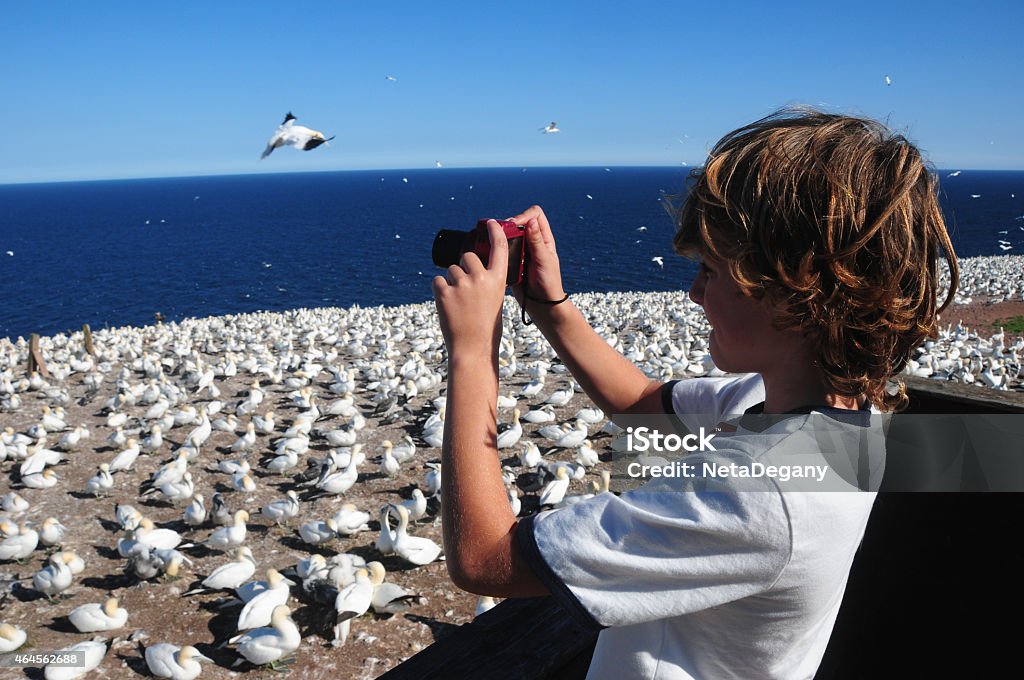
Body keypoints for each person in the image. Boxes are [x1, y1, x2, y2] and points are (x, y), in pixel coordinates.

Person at [430, 107, 959, 679]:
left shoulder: (765, 493)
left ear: (794, 294)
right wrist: (546, 303)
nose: (693, 292)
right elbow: (640, 403)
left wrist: (472, 350)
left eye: (711, 270)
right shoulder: (808, 415)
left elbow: (485, 560)